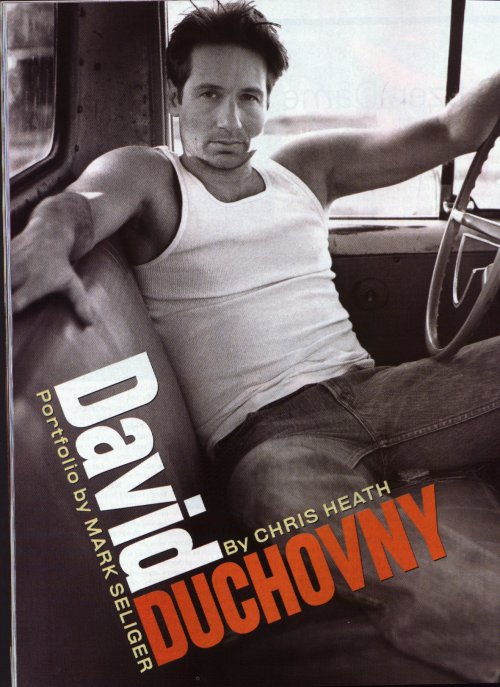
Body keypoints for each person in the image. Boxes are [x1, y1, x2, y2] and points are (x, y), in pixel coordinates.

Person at [11, 2, 500, 682]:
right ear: (177, 98)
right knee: (393, 554)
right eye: (209, 95)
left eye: (249, 98)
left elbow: (452, 130)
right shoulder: (153, 177)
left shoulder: (308, 167)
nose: (231, 121)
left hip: (382, 393)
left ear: (268, 103)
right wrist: (42, 240)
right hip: (269, 438)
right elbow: (79, 208)